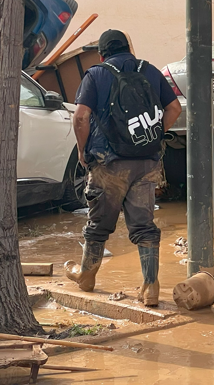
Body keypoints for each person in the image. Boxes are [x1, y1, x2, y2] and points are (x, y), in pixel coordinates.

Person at [65, 30, 182, 306]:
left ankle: (86, 277)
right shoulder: (151, 71)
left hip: (109, 164)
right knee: (144, 226)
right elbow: (174, 108)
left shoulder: (96, 75)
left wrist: (82, 151)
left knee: (98, 225)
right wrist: (153, 136)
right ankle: (151, 286)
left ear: (102, 54)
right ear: (129, 48)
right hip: (147, 163)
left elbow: (81, 116)